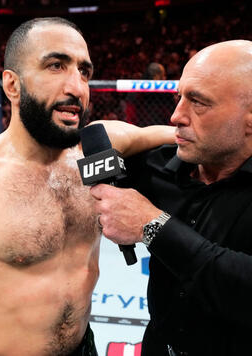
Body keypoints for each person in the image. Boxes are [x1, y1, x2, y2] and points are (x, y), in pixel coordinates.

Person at [0, 17, 175, 356]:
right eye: (56, 66)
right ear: (12, 85)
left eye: (84, 72)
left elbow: (181, 136)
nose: (77, 88)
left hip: (85, 345)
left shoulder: (96, 146)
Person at [91, 39, 252, 356]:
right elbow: (96, 138)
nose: (177, 115)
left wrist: (153, 226)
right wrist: (157, 134)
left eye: (198, 102)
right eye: (179, 97)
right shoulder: (160, 166)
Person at [125, 62, 176, 126]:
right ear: (156, 77)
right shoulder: (137, 91)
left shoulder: (165, 93)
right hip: (155, 128)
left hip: (145, 128)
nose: (165, 78)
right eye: (163, 75)